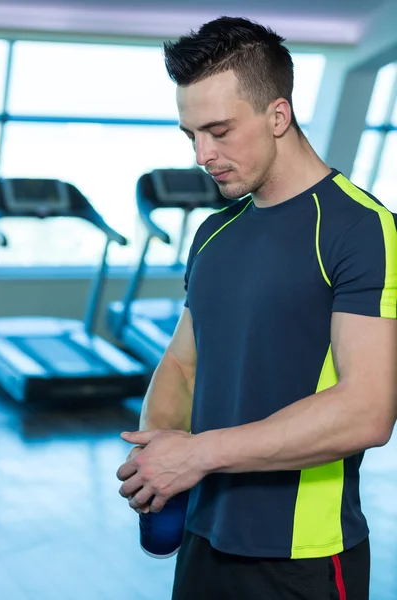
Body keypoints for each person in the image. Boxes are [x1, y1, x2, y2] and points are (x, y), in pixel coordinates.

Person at [116, 16, 397, 600]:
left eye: (218, 130)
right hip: (203, 538)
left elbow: (367, 411)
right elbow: (184, 364)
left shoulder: (360, 228)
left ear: (277, 115)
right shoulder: (214, 233)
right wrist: (159, 460)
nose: (202, 153)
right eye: (190, 134)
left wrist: (195, 456)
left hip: (300, 558)